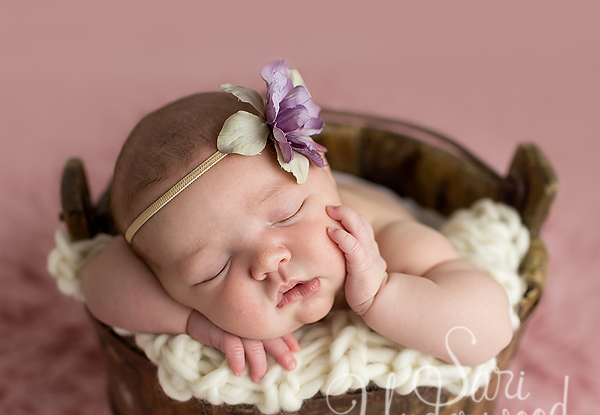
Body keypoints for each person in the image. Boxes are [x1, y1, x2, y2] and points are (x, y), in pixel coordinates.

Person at [82, 61, 514, 383]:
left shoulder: (391, 241)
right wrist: (196, 323)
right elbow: (99, 280)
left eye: (286, 215)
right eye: (213, 270)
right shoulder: (170, 265)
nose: (270, 260)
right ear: (172, 286)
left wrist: (384, 294)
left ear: (325, 176)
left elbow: (490, 329)